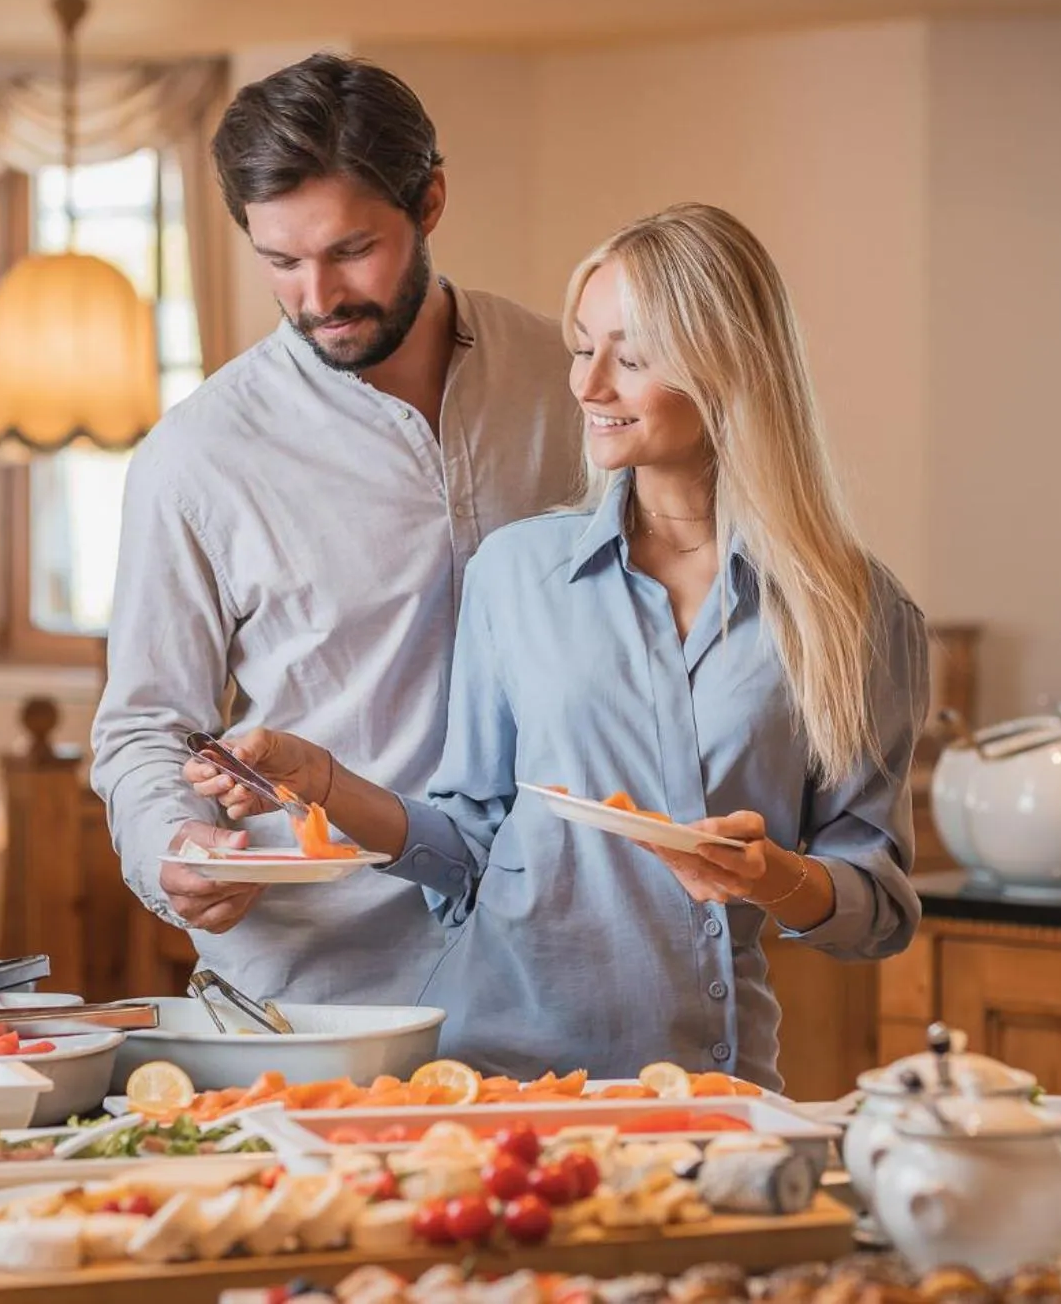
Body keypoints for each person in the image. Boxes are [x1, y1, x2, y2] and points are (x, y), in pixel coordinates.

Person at [186, 203, 928, 1091]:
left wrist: (770, 876)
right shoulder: (516, 575)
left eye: (632, 356)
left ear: (732, 368)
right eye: (582, 346)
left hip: (709, 1081)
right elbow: (469, 846)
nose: (587, 385)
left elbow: (876, 909)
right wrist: (321, 780)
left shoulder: (855, 613)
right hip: (498, 1073)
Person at [89, 53, 583, 1006]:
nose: (317, 297)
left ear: (430, 200)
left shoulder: (569, 383)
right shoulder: (197, 456)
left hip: (557, 970)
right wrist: (173, 848)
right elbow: (148, 724)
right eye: (281, 261)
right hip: (318, 988)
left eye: (352, 250)